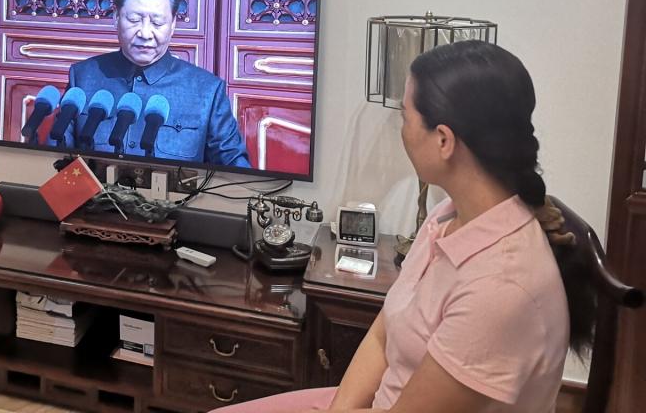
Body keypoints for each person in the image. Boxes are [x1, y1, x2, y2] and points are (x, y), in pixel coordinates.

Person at [220, 40, 593, 412]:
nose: (402, 131)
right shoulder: (447, 216)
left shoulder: (501, 288)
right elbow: (384, 333)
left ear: (444, 140)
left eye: (405, 118)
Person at [65, 0, 250, 168]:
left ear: (172, 24)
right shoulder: (83, 77)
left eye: (157, 22)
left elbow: (235, 170)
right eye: (134, 19)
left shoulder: (207, 91)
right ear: (116, 17)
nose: (145, 33)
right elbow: (57, 157)